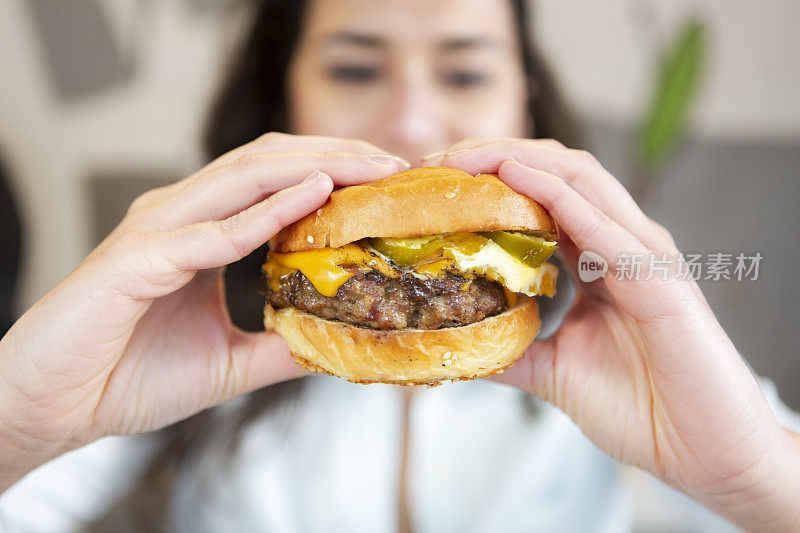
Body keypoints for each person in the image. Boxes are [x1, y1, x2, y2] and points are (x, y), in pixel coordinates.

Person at [1, 0, 799, 531]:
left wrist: (757, 472)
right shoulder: (182, 335)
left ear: (522, 101)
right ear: (284, 101)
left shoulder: (627, 350)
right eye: (354, 68)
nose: (413, 119)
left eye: (465, 71)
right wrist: (21, 418)